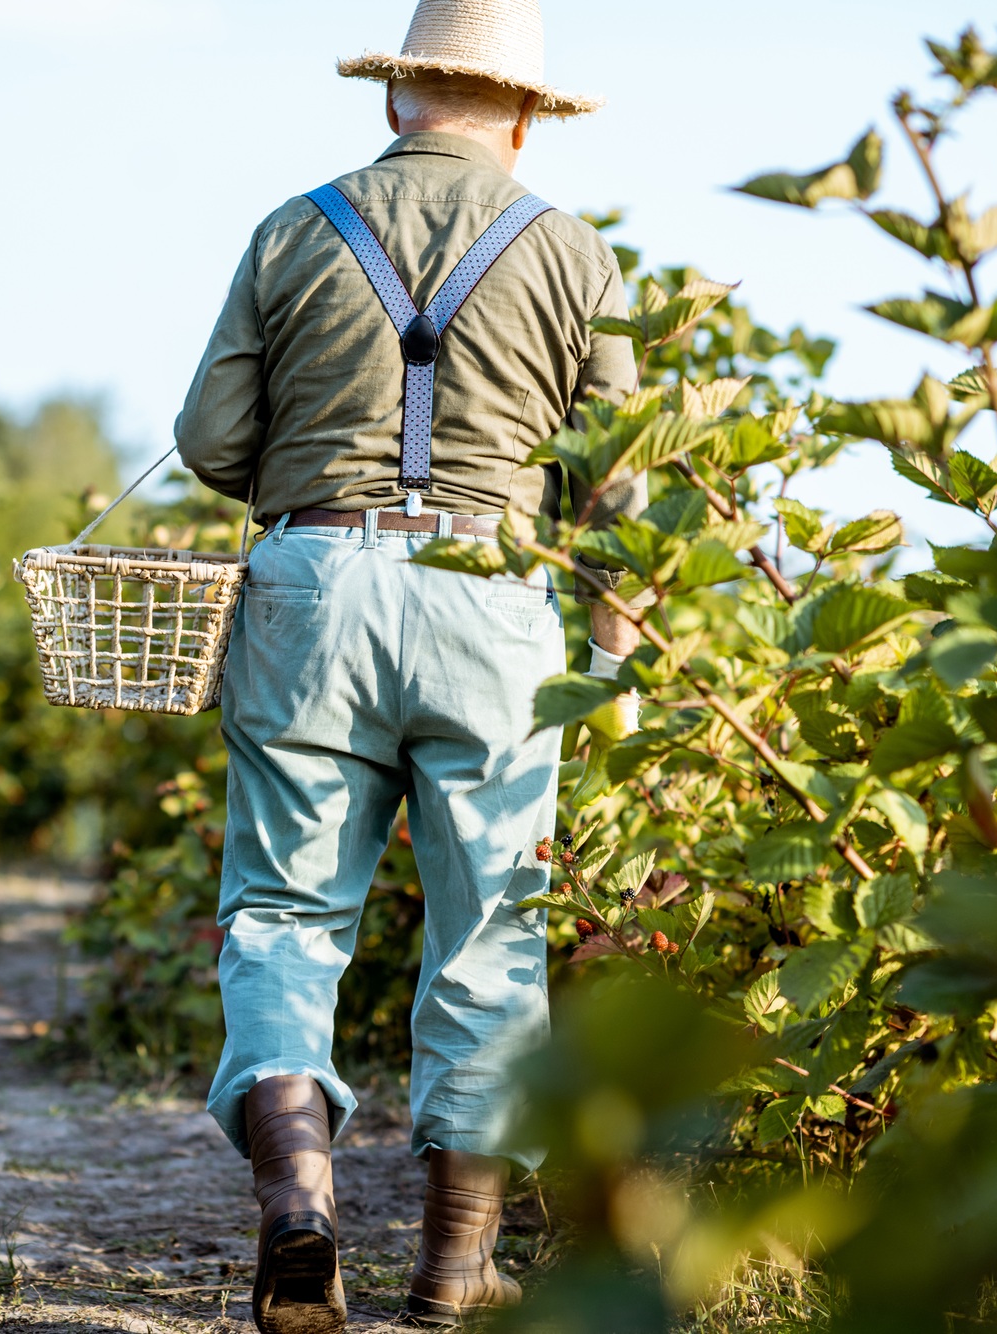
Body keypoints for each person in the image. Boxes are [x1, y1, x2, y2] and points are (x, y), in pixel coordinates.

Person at [175, 0, 641, 1327]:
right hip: (495, 606)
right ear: (521, 118)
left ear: (395, 101)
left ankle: (301, 1208)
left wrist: (322, 470)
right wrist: (607, 658)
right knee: (491, 929)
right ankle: (450, 1266)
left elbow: (211, 441)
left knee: (283, 911)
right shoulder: (573, 251)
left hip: (312, 590)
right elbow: (621, 483)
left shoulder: (294, 226)